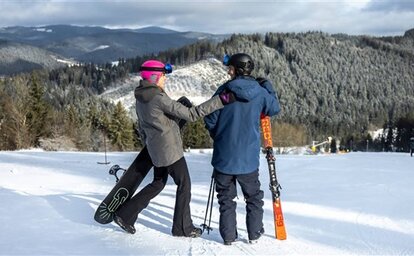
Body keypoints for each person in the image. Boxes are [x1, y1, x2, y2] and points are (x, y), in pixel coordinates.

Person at [113, 60, 236, 238]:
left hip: (155, 148)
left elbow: (150, 124)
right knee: (184, 184)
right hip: (169, 151)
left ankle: (125, 215)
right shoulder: (158, 98)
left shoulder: (141, 96)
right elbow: (192, 115)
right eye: (163, 76)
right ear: (154, 77)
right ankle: (182, 228)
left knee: (157, 183)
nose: (165, 79)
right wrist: (221, 100)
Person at [204, 53, 281, 245]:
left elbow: (209, 118)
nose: (228, 72)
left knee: (226, 199)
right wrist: (268, 86)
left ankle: (229, 237)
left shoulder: (224, 91)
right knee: (253, 197)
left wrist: (219, 137)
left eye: (230, 68)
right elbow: (274, 108)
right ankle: (254, 233)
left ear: (237, 70)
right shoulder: (261, 93)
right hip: (248, 159)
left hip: (224, 157)